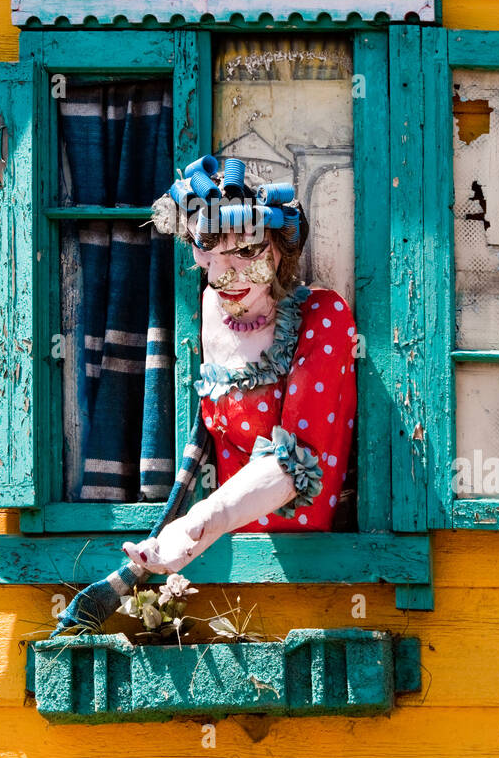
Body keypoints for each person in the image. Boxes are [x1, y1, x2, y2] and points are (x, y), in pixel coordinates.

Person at [121, 154, 357, 575]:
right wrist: (194, 536)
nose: (221, 277)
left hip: (311, 571)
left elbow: (295, 463)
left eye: (247, 251)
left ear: (282, 248)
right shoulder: (212, 306)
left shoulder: (324, 317)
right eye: (207, 248)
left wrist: (198, 525)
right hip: (227, 565)